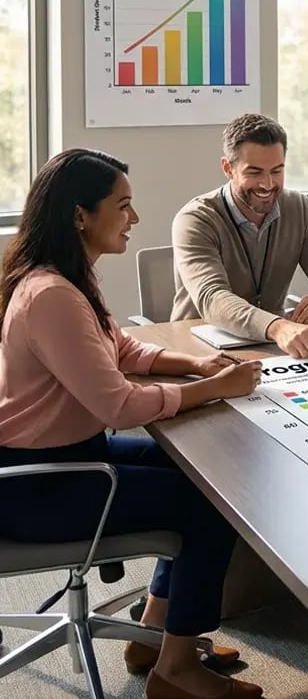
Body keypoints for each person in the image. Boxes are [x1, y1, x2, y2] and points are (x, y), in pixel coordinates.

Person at [0, 149, 264, 699]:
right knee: (213, 502)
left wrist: (195, 363)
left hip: (66, 455)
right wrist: (213, 389)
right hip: (40, 485)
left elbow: (119, 347)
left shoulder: (67, 278)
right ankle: (176, 672)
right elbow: (119, 405)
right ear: (80, 216)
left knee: (199, 470)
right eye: (123, 206)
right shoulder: (51, 295)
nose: (135, 219)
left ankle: (156, 638)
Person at [172, 113, 308, 360]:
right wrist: (278, 327)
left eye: (277, 171)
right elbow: (213, 299)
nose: (267, 184)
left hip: (272, 349)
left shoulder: (298, 208)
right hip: (198, 353)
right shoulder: (196, 219)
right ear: (228, 168)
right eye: (254, 172)